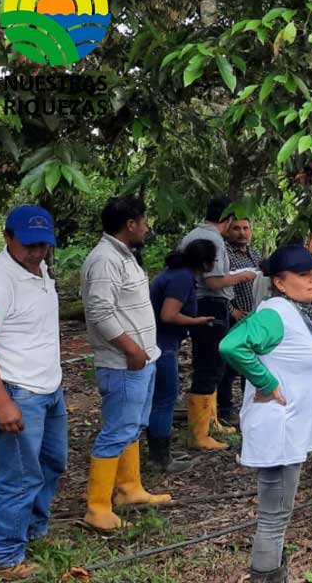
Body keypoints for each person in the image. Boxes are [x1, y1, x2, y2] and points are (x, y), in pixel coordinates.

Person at [220, 245, 312, 583]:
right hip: (278, 427)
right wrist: (266, 382)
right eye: (303, 275)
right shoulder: (276, 313)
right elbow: (230, 345)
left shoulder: (298, 313)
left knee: (277, 514)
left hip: (288, 428)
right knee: (273, 517)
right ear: (280, 283)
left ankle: (273, 572)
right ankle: (267, 576)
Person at [0, 205, 65, 580]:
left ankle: (34, 531)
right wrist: (2, 402)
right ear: (8, 237)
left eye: (43, 244)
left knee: (53, 463)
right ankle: (5, 556)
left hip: (48, 387)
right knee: (20, 476)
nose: (36, 252)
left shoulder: (40, 271)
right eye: (28, 245)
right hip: (17, 391)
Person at [79, 197, 177, 531]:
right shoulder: (105, 260)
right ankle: (97, 508)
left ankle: (128, 488)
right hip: (124, 362)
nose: (148, 227)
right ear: (131, 224)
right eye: (144, 221)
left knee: (133, 426)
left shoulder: (125, 256)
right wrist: (132, 349)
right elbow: (100, 312)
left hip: (141, 358)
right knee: (117, 430)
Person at [176, 196, 259, 450]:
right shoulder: (213, 241)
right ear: (229, 218)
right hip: (210, 304)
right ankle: (199, 434)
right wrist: (243, 276)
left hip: (202, 303)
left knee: (211, 364)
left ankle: (209, 421)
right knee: (209, 366)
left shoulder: (194, 235)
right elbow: (213, 282)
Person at [147, 240, 218, 473]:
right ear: (206, 263)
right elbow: (169, 315)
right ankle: (160, 458)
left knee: (161, 398)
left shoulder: (179, 274)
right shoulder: (181, 278)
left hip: (164, 341)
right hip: (162, 343)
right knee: (165, 399)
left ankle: (160, 450)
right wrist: (197, 322)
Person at [219, 217, 264, 427]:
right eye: (236, 228)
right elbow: (216, 286)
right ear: (228, 231)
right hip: (234, 318)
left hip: (254, 318)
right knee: (229, 365)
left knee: (252, 361)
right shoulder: (224, 254)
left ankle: (252, 403)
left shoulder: (254, 254)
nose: (242, 232)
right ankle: (225, 409)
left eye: (246, 228)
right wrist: (232, 310)